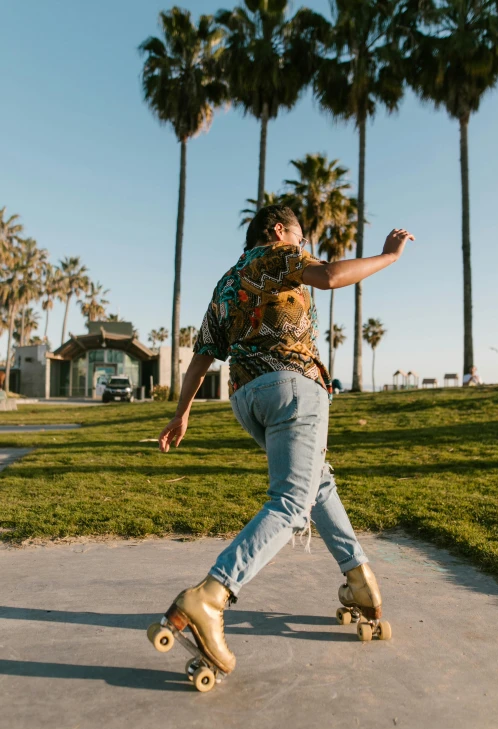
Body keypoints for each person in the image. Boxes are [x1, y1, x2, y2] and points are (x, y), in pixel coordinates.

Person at [154, 206, 415, 678]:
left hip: (248, 398)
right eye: (300, 234)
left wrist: (182, 412)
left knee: (316, 484)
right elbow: (331, 275)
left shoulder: (227, 281)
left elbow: (204, 355)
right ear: (278, 230)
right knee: (292, 501)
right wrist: (388, 257)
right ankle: (209, 598)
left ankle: (360, 581)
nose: (302, 242)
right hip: (293, 385)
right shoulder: (279, 253)